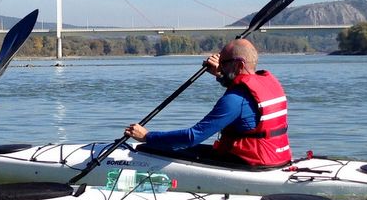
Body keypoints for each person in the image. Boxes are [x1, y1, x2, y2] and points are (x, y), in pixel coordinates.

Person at [123, 38, 292, 168]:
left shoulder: (234, 100)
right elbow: (243, 93)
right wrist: (221, 74)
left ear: (239, 64)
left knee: (153, 148)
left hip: (250, 163)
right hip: (277, 157)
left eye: (223, 63)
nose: (219, 67)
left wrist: (147, 137)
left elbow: (192, 137)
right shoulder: (269, 83)